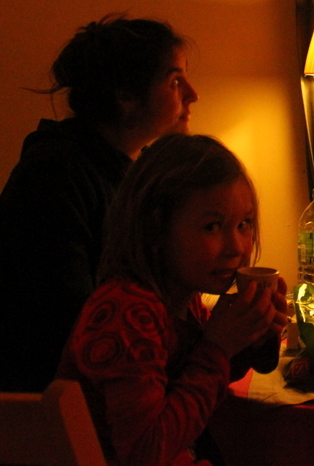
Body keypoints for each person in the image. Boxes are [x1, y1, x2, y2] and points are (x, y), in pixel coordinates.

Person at [0, 15, 199, 393]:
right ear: (126, 96)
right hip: (10, 399)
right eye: (174, 81)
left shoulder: (131, 174)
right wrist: (205, 346)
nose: (193, 94)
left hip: (77, 387)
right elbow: (71, 320)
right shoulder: (54, 174)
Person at [56, 133, 286, 466]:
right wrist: (217, 348)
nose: (237, 247)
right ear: (155, 229)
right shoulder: (127, 311)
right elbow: (145, 453)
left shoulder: (182, 301)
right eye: (212, 226)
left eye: (244, 224)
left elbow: (189, 385)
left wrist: (250, 339)